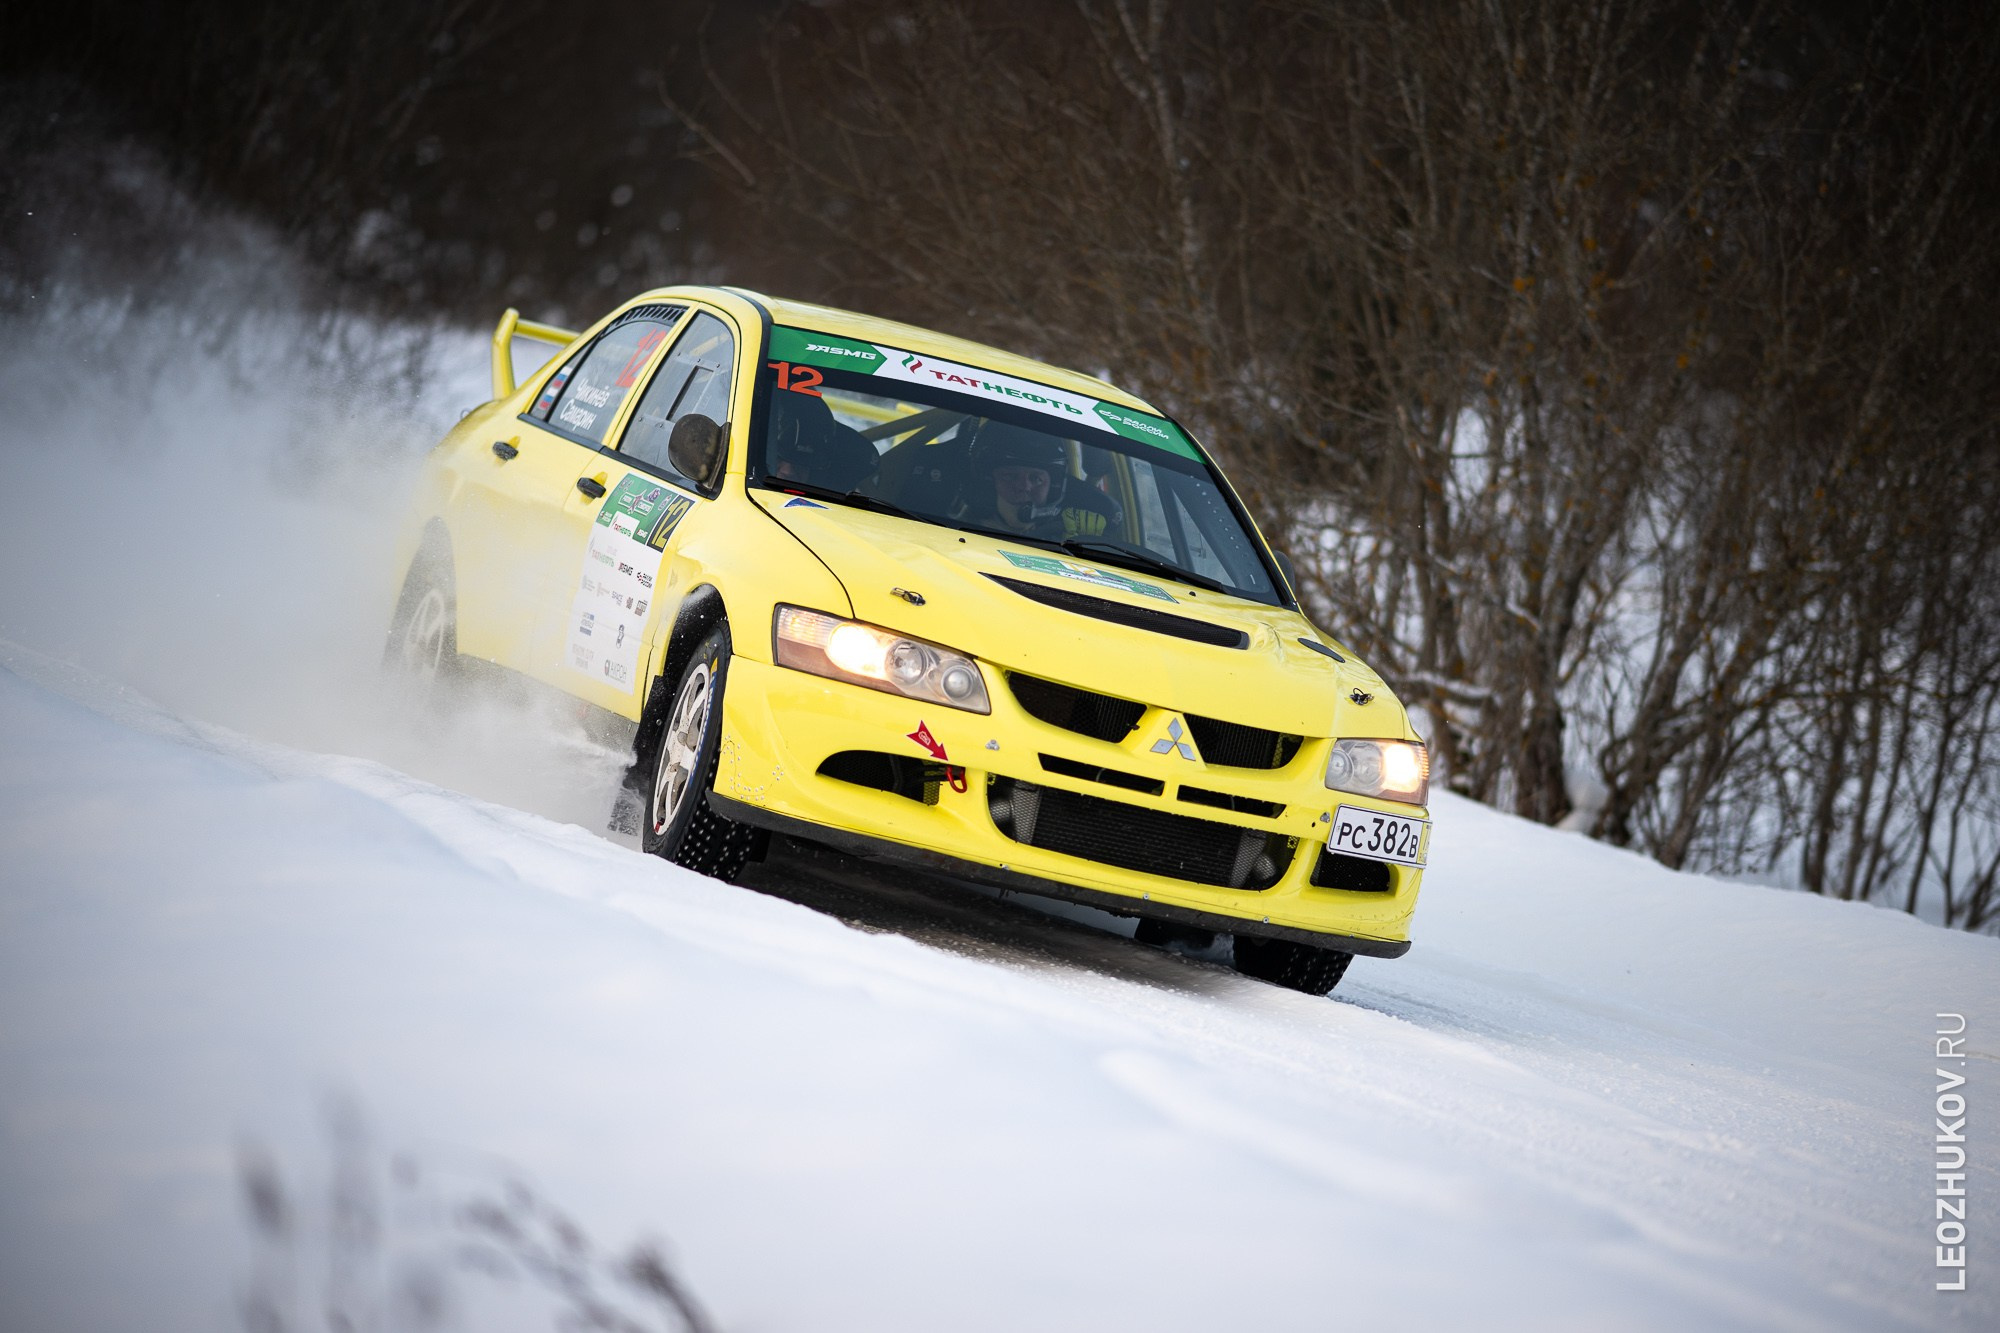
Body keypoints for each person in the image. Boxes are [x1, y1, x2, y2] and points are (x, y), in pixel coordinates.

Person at [960, 421, 1121, 540]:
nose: (1024, 487)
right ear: (987, 483)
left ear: (1053, 488)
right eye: (1010, 476)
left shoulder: (1071, 537)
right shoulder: (956, 531)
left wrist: (1081, 545)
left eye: (1036, 479)